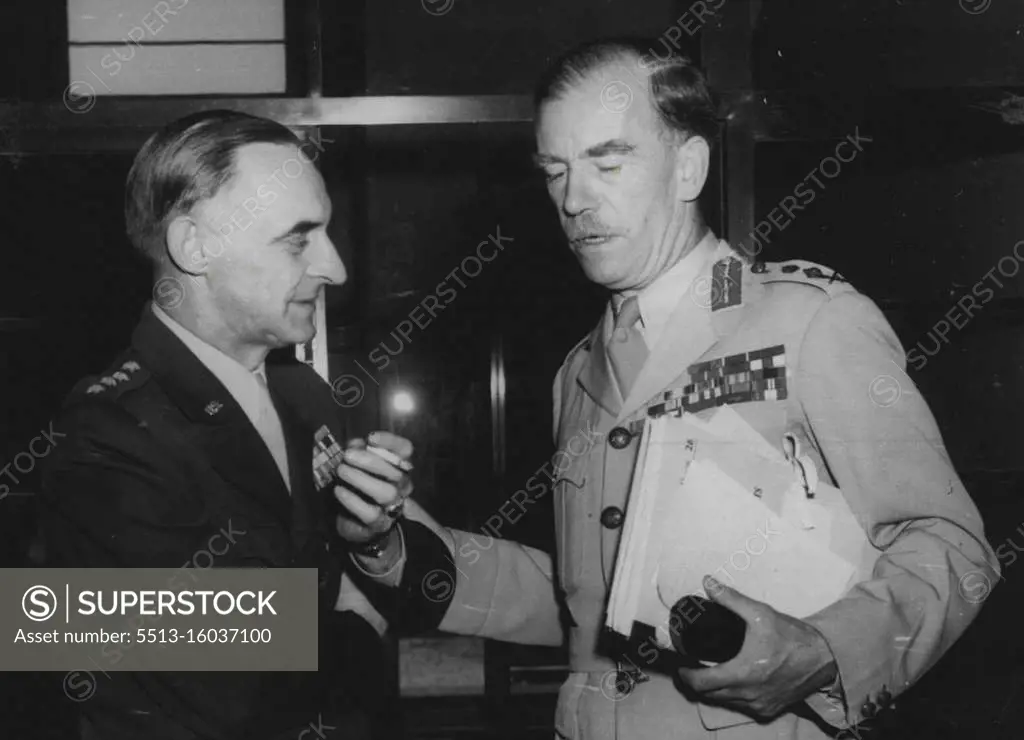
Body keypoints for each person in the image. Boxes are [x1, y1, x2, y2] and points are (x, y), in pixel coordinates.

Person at [417, 38, 1001, 739]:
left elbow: (953, 546)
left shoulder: (805, 320)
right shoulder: (577, 370)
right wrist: (408, 557)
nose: (574, 200)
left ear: (688, 166)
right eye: (555, 171)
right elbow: (593, 603)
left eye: (608, 161)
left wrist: (823, 650)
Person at [40, 110, 454, 740]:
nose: (335, 268)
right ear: (195, 246)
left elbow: (426, 594)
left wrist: (371, 543)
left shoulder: (305, 395)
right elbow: (227, 694)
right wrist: (363, 617)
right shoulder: (106, 435)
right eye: (298, 237)